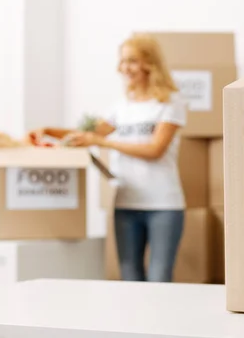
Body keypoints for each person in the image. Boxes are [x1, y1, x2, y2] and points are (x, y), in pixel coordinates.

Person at [29, 33, 186, 282]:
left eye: (132, 60)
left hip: (163, 205)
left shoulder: (169, 103)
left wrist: (101, 142)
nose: (125, 68)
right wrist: (50, 130)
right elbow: (87, 134)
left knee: (159, 277)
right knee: (129, 274)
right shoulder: (120, 107)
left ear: (150, 63)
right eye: (122, 61)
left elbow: (155, 150)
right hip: (126, 203)